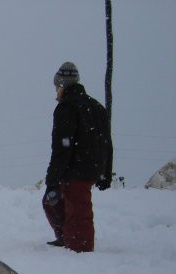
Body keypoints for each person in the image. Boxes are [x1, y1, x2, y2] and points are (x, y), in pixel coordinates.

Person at [43, 62, 113, 252]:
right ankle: (67, 236)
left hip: (76, 168)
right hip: (92, 165)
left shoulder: (67, 108)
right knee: (52, 201)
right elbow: (107, 142)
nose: (56, 91)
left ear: (63, 85)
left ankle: (80, 247)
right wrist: (105, 172)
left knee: (77, 209)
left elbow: (62, 147)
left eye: (57, 86)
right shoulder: (96, 106)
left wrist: (53, 177)